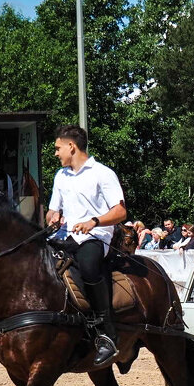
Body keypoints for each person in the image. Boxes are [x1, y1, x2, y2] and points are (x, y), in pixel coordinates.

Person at [46, 124, 127, 367]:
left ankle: (107, 334)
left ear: (71, 146)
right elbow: (53, 209)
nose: (56, 153)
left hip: (95, 236)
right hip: (66, 236)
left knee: (89, 267)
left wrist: (94, 221)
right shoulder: (60, 176)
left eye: (58, 148)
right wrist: (52, 216)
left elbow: (120, 211)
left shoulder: (102, 173)